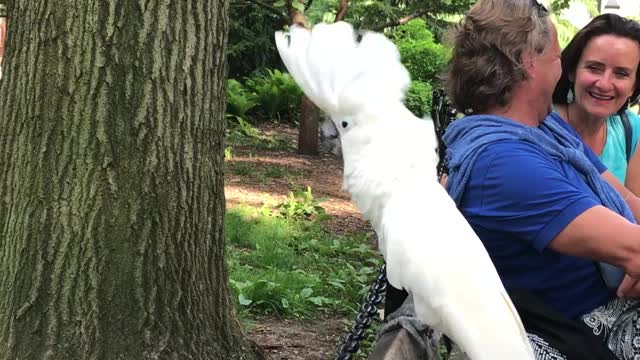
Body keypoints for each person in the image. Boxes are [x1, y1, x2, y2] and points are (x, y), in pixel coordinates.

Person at [442, 0, 640, 358]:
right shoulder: (503, 164)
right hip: (578, 329)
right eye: (556, 56)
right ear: (528, 62)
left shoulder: (546, 128)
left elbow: (625, 201)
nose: (560, 66)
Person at [552, 14, 640, 196]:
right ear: (571, 71)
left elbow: (634, 216)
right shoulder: (540, 122)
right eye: (594, 68)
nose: (604, 84)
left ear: (634, 86)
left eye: (621, 73)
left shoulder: (632, 130)